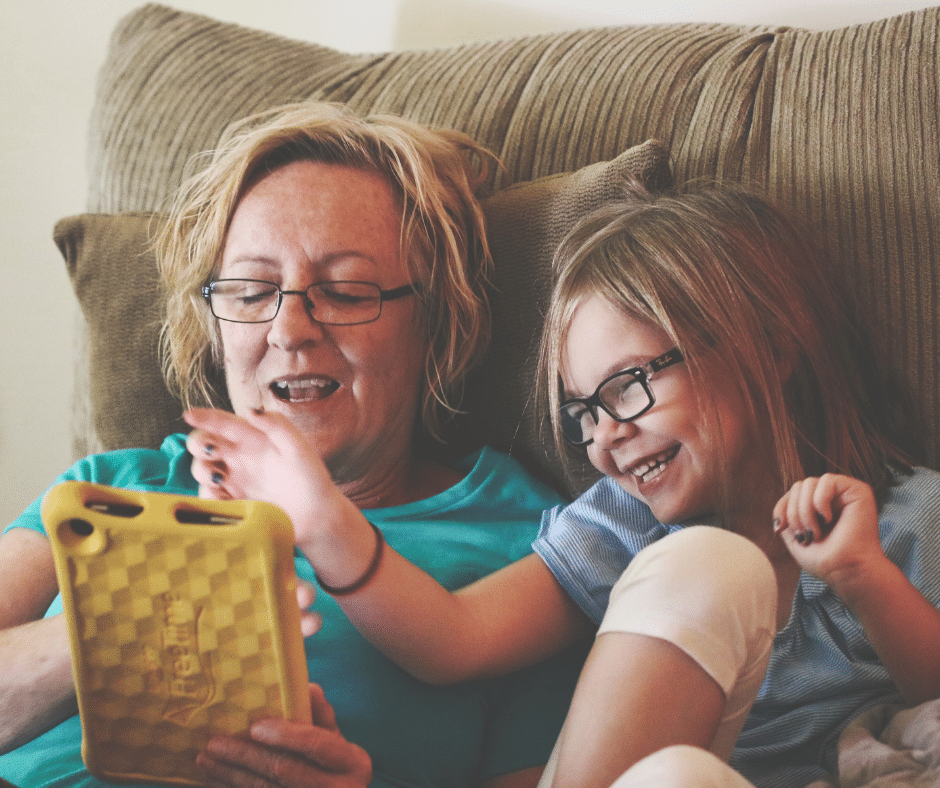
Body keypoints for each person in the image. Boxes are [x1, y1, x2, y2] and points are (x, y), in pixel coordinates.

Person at [183, 176, 940, 788]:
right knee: (683, 720)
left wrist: (862, 576)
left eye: (629, 386)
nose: (605, 435)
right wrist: (322, 518)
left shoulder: (913, 517)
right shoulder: (625, 527)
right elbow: (453, 639)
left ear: (768, 347)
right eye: (582, 410)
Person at [0, 102, 590, 788]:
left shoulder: (529, 547)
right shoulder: (111, 488)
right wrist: (130, 619)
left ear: (435, 320)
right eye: (250, 291)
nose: (289, 329)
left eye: (344, 290)